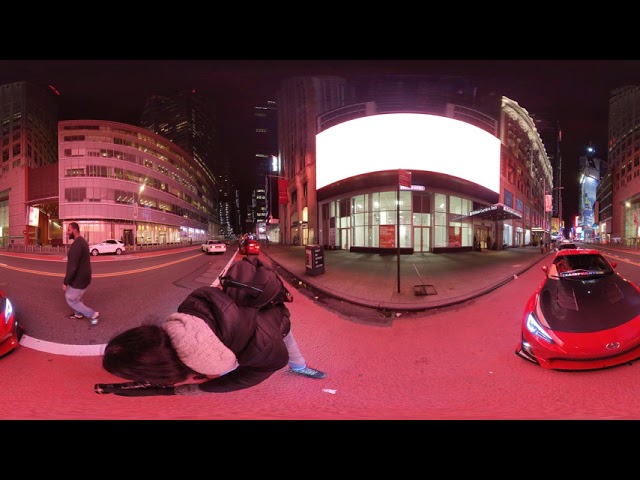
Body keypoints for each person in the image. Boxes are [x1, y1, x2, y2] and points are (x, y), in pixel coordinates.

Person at [97, 258, 326, 397]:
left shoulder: (261, 349)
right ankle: (299, 366)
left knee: (290, 348)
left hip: (276, 324)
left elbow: (263, 368)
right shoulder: (185, 310)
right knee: (231, 363)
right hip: (249, 327)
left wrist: (209, 388)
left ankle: (300, 367)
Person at [63, 222, 99, 326]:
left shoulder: (77, 245)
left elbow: (72, 267)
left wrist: (66, 282)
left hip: (79, 279)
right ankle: (78, 314)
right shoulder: (82, 241)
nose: (67, 232)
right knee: (77, 297)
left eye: (69, 230)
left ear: (75, 230)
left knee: (71, 298)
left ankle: (92, 314)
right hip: (84, 277)